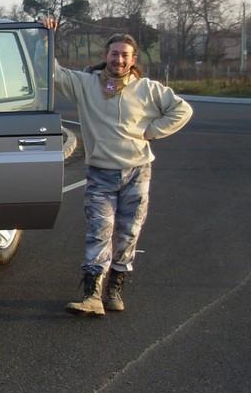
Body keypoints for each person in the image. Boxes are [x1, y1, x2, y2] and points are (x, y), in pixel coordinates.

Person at [44, 19, 193, 317]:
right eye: (115, 54)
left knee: (128, 234)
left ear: (133, 59)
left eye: (125, 55)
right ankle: (92, 295)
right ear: (106, 55)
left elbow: (182, 109)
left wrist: (152, 131)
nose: (119, 60)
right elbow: (53, 74)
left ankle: (114, 289)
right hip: (101, 174)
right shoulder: (87, 84)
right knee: (99, 232)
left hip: (137, 173)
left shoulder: (147, 89)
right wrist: (47, 37)